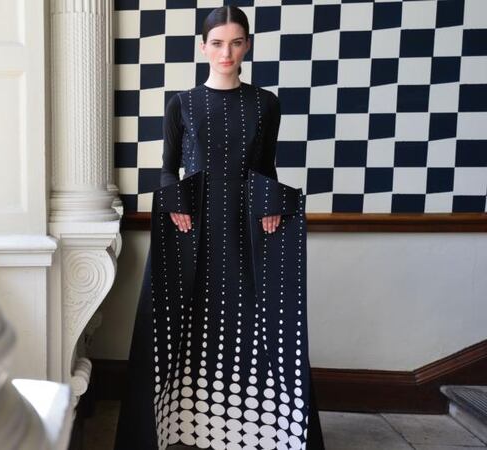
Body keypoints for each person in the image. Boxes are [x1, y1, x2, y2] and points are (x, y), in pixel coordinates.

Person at [113, 6, 326, 450]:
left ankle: (257, 427)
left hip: (248, 228)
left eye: (235, 42)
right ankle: (183, 422)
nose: (226, 52)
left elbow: (266, 164)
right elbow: (169, 169)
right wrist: (175, 206)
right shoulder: (182, 103)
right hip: (192, 227)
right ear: (202, 47)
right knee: (183, 322)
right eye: (217, 43)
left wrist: (271, 204)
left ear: (247, 44)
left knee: (254, 321)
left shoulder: (266, 102)